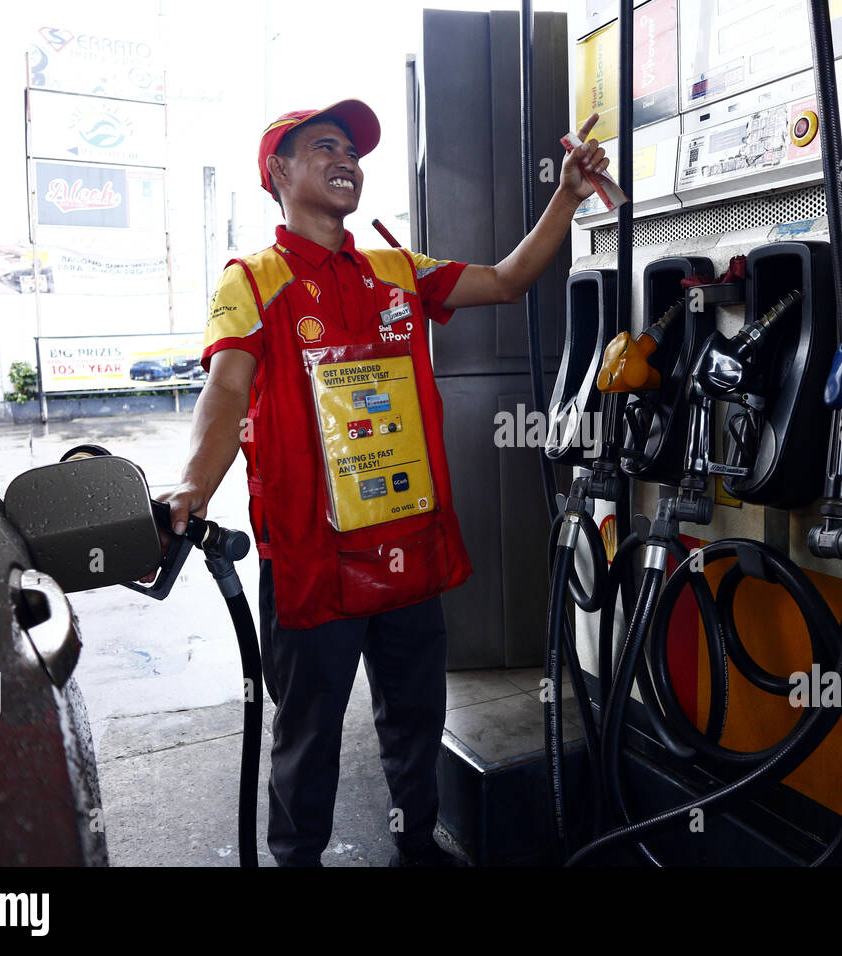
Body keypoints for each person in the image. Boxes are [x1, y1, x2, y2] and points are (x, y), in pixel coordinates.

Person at [159, 99, 607, 866]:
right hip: (310, 559)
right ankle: (297, 857)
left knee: (414, 719)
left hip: (408, 547)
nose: (347, 160)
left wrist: (566, 193)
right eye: (325, 147)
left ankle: (416, 843)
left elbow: (505, 280)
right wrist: (192, 489)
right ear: (279, 173)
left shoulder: (398, 270)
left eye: (355, 151)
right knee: (308, 733)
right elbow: (227, 390)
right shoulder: (252, 281)